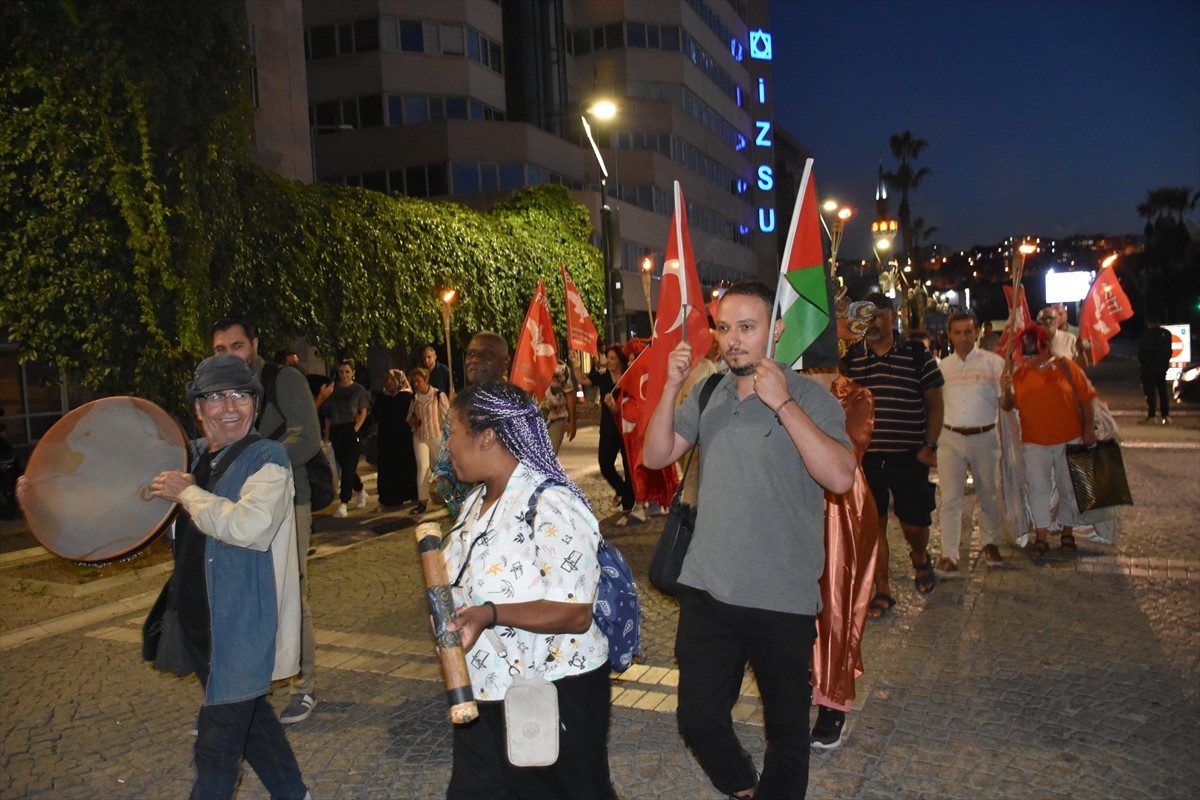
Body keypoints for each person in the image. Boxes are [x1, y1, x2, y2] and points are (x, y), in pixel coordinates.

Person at [643, 281, 856, 800]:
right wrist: (670, 387)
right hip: (707, 588)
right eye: (724, 327)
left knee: (787, 734)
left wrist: (782, 404)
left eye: (747, 327)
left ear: (775, 331)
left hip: (781, 598)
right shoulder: (710, 390)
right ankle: (742, 788)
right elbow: (655, 456)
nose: (732, 340)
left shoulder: (809, 396)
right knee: (697, 719)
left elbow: (841, 477)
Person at [441, 381, 617, 800]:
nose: (446, 444)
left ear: (486, 437)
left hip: (553, 691)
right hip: (483, 691)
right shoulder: (476, 502)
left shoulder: (551, 504)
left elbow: (575, 612)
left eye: (453, 431)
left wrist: (489, 614)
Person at [149, 355, 308, 800]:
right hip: (202, 627)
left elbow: (250, 528)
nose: (229, 406)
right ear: (198, 409)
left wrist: (189, 494)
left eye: (240, 395)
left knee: (216, 750)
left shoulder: (267, 458)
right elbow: (133, 510)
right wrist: (47, 493)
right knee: (254, 725)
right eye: (215, 397)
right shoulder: (195, 461)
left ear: (255, 405)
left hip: (242, 630)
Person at [211, 317, 323, 726]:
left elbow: (307, 439)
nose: (229, 355)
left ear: (254, 344)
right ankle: (248, 690)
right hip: (237, 508)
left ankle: (304, 685)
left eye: (237, 346)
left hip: (289, 502)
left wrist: (253, 463)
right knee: (246, 596)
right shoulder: (217, 393)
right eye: (220, 349)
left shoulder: (283, 379)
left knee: (290, 591)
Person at [842, 292, 944, 617]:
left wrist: (929, 447)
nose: (872, 323)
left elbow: (935, 403)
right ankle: (881, 588)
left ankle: (919, 556)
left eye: (878, 315)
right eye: (865, 316)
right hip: (868, 459)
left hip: (909, 456)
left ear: (893, 316)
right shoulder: (852, 359)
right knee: (874, 526)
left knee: (914, 524)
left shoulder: (916, 355)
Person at [1000, 326, 1096, 556]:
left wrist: (1088, 429)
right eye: (1026, 352)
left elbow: (1086, 398)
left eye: (1033, 350)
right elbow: (1008, 406)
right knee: (1038, 489)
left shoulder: (1066, 366)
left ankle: (1067, 532)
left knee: (1068, 488)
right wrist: (1006, 391)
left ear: (1045, 347)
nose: (1029, 357)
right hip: (1034, 442)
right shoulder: (1019, 375)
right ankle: (1041, 535)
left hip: (1070, 438)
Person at [935, 313, 1006, 576]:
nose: (963, 338)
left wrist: (1009, 391)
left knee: (988, 494)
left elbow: (1007, 404)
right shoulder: (941, 368)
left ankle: (990, 543)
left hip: (985, 436)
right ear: (949, 335)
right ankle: (949, 554)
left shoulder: (995, 364)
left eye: (968, 332)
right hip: (951, 437)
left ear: (976, 332)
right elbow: (935, 406)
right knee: (950, 499)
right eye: (957, 332)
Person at [431, 332, 511, 516]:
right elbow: (447, 456)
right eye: (471, 354)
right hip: (472, 511)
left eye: (486, 355)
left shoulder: (519, 407)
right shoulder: (458, 408)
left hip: (511, 509)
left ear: (505, 362)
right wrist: (443, 481)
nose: (475, 360)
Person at [326, 360, 371, 518]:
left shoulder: (358, 389)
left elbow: (363, 412)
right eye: (341, 372)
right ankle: (360, 490)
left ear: (352, 373)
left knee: (348, 467)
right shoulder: (333, 390)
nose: (344, 375)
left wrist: (354, 429)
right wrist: (327, 435)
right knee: (345, 467)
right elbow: (328, 414)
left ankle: (343, 503)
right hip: (336, 430)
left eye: (347, 371)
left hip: (351, 429)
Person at [372, 369, 419, 509]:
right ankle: (391, 497)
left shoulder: (407, 396)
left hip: (404, 438)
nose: (388, 382)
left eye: (392, 379)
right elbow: (375, 415)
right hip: (386, 439)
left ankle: (411, 493)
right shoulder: (382, 396)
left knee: (407, 465)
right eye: (386, 379)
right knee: (388, 467)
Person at [407, 366, 449, 515]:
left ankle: (451, 497)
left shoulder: (438, 395)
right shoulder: (415, 398)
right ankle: (422, 502)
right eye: (414, 382)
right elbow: (409, 417)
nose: (416, 385)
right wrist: (413, 421)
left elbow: (447, 417)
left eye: (418, 381)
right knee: (423, 468)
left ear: (426, 380)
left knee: (442, 468)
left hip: (437, 435)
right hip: (420, 436)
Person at [1137, 318, 1173, 424]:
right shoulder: (1166, 334)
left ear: (1149, 323)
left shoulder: (1148, 335)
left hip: (1149, 368)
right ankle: (1165, 416)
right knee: (1163, 391)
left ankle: (1152, 415)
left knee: (1150, 392)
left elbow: (1143, 352)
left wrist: (1142, 364)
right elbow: (1169, 351)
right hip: (1162, 368)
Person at [539, 360, 577, 453]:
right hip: (535, 419)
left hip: (557, 417)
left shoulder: (561, 367)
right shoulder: (528, 365)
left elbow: (569, 394)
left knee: (550, 455)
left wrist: (572, 422)